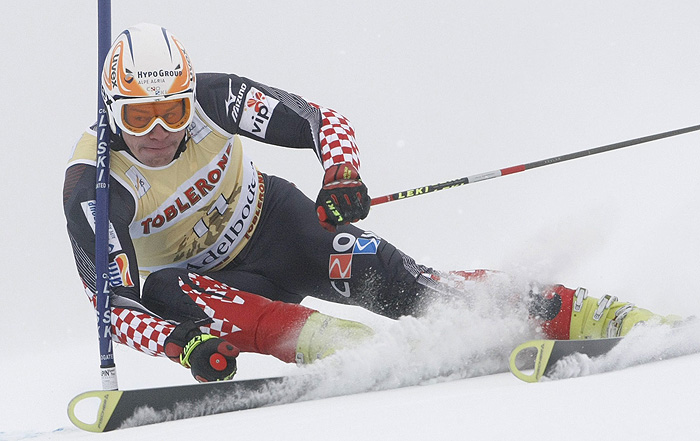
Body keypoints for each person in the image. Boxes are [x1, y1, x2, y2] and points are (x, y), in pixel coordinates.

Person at [63, 23, 678, 383]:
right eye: (138, 117)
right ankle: (354, 348)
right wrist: (179, 345)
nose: (159, 131)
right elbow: (107, 305)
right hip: (221, 288)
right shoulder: (91, 183)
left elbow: (321, 121)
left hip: (286, 229)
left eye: (171, 110)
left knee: (413, 284)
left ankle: (596, 314)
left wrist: (341, 176)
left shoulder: (215, 99)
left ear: (188, 95)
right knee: (163, 286)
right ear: (111, 110)